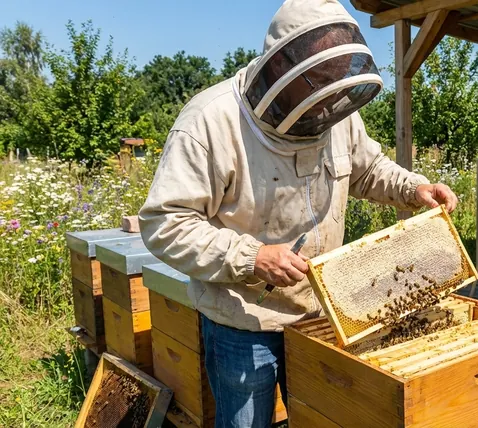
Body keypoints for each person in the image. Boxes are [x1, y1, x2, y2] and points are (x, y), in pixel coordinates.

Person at [138, 0, 458, 427]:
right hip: (243, 318)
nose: (325, 103)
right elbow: (165, 222)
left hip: (324, 313)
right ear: (283, 67)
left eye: (333, 82)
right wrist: (251, 258)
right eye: (318, 83)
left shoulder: (332, 109)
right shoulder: (208, 123)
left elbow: (368, 169)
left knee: (319, 416)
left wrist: (413, 188)